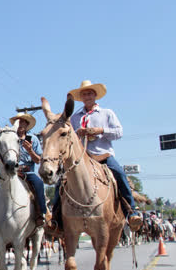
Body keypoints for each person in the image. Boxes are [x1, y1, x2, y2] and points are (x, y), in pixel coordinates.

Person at [50, 80, 142, 232]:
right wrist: (77, 133)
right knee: (61, 182)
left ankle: (132, 212)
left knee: (119, 173)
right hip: (81, 159)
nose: (87, 96)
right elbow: (68, 137)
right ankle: (56, 220)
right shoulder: (75, 117)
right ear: (81, 97)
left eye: (90, 93)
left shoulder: (107, 113)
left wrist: (101, 130)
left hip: (103, 155)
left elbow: (119, 132)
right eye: (84, 94)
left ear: (95, 95)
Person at [0, 112, 47, 227]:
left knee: (38, 183)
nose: (21, 124)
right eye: (18, 121)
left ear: (27, 124)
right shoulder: (8, 137)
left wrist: (30, 151)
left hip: (26, 172)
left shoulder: (33, 139)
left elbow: (39, 160)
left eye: (23, 121)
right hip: (9, 170)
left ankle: (40, 214)